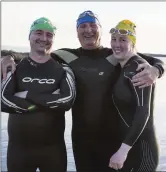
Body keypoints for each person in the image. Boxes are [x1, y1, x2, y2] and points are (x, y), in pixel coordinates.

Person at [1, 11, 165, 171]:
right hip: (82, 141)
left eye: (93, 25)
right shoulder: (66, 55)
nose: (88, 30)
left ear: (100, 29)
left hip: (112, 140)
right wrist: (9, 57)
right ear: (77, 32)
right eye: (83, 26)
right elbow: (34, 56)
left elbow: (153, 60)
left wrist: (157, 70)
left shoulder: (116, 54)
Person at [1, 17, 76, 172]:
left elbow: (67, 101)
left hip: (53, 151)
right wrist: (49, 102)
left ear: (53, 39)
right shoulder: (13, 67)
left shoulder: (63, 70)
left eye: (49, 35)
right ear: (30, 36)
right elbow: (4, 101)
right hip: (19, 151)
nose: (43, 38)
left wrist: (26, 94)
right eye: (39, 33)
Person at [108, 19, 159, 172]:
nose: (117, 44)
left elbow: (144, 112)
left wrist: (122, 151)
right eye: (114, 39)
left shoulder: (138, 68)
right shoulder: (124, 66)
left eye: (123, 40)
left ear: (133, 42)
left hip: (143, 150)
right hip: (130, 147)